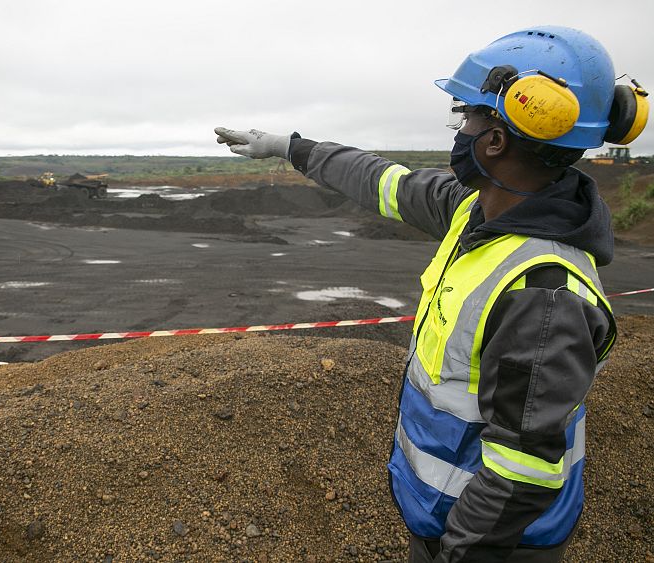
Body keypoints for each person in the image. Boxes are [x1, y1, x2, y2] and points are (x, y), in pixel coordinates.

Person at [215, 25, 647, 562]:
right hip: (442, 514)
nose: (459, 129)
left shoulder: (543, 293)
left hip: (494, 545)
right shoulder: (480, 211)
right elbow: (384, 181)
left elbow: (523, 472)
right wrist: (291, 148)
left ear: (496, 140)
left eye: (467, 115)